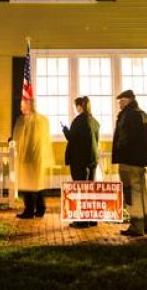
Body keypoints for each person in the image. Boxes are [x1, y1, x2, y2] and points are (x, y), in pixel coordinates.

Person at [113, 89, 147, 237]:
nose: (119, 105)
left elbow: (124, 138)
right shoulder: (143, 114)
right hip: (140, 160)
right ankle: (146, 223)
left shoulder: (128, 116)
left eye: (121, 101)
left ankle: (136, 225)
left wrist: (120, 152)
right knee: (142, 191)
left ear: (127, 100)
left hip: (128, 160)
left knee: (132, 192)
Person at [62, 96, 100, 228]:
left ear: (79, 106)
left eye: (75, 106)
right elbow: (96, 140)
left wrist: (65, 130)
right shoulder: (95, 121)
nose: (74, 109)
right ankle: (92, 218)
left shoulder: (78, 121)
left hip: (80, 161)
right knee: (90, 190)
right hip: (92, 160)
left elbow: (72, 138)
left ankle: (82, 221)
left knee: (81, 190)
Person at [12, 96, 53, 219]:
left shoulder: (28, 120)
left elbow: (21, 137)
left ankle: (30, 210)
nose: (21, 108)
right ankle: (40, 208)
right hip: (37, 157)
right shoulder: (42, 120)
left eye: (23, 105)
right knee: (37, 184)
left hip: (29, 156)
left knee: (29, 184)